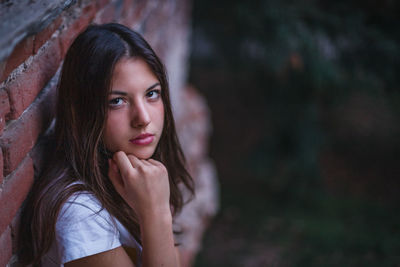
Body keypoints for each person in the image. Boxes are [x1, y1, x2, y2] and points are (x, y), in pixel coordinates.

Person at [17, 23, 194, 267]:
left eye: (152, 94)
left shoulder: (139, 177)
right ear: (85, 112)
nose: (143, 118)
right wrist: (156, 212)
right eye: (118, 101)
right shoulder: (81, 214)